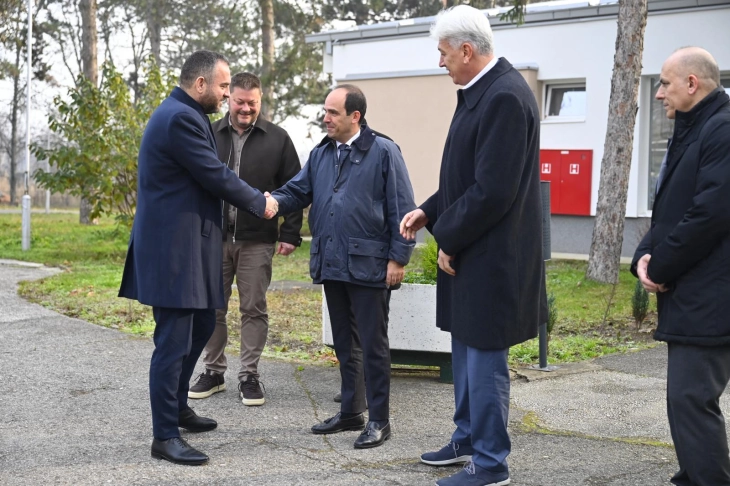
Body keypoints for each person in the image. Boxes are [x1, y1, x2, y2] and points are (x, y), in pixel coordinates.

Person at [400, 6, 547, 486]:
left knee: (484, 361)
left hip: (491, 255)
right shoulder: (481, 92)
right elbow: (465, 175)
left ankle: (490, 463)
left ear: (467, 50)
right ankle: (466, 440)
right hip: (474, 251)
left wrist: (449, 236)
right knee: (464, 351)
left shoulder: (503, 97)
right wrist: (430, 210)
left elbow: (493, 191)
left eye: (443, 53)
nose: (440, 61)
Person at [118, 50, 278, 466]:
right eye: (224, 86)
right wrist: (259, 202)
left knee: (204, 322)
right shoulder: (179, 118)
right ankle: (164, 436)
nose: (227, 94)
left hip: (192, 248)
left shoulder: (188, 114)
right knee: (172, 342)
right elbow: (213, 173)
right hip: (174, 252)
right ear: (201, 83)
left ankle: (176, 408)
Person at [271, 84, 416, 449]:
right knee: (344, 344)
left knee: (373, 345)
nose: (326, 118)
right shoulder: (321, 153)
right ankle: (351, 412)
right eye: (325, 111)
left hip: (370, 265)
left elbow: (403, 208)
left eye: (333, 112)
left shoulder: (384, 151)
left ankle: (379, 420)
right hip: (332, 261)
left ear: (355, 116)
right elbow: (297, 191)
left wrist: (398, 257)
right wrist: (269, 201)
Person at [632, 47, 730, 486]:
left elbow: (710, 214)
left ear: (692, 83)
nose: (658, 94)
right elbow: (671, 208)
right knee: (684, 401)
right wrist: (644, 255)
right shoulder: (693, 128)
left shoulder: (722, 129)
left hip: (711, 294)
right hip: (692, 292)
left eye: (665, 84)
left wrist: (661, 266)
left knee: (692, 400)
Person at [188, 72, 303, 407]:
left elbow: (295, 188)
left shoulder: (279, 139)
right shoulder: (208, 133)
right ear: (229, 99)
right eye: (239, 102)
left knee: (253, 308)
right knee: (212, 307)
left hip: (257, 240)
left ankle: (249, 375)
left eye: (252, 103)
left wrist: (290, 233)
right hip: (213, 238)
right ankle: (213, 371)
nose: (246, 109)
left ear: (260, 101)